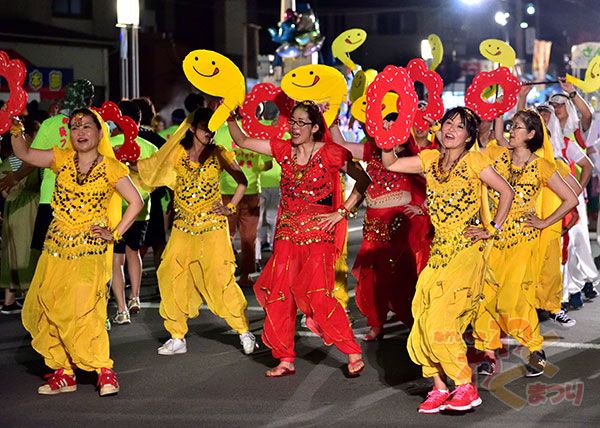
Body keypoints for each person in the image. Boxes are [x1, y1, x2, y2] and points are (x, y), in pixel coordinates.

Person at [382, 107, 514, 413]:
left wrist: (491, 228)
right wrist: (388, 134)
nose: (452, 128)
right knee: (424, 316)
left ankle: (464, 385)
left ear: (469, 136)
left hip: (467, 251)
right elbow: (392, 164)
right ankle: (439, 387)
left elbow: (505, 192)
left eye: (460, 126)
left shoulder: (474, 161)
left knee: (441, 318)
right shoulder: (430, 159)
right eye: (449, 123)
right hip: (440, 251)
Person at [227, 100, 370, 377]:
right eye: (292, 121)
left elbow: (362, 180)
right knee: (280, 295)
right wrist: (230, 115)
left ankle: (351, 350)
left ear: (315, 128)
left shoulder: (331, 153)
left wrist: (341, 212)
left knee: (319, 296)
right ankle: (285, 357)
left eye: (301, 123)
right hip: (287, 235)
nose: (294, 127)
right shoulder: (283, 150)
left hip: (319, 235)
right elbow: (243, 140)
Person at [12, 108, 143, 396]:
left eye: (86, 126)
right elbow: (25, 154)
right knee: (50, 303)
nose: (80, 132)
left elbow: (135, 202)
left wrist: (115, 233)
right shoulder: (60, 159)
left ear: (99, 132)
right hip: (56, 248)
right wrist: (14, 127)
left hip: (90, 250)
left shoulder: (111, 167)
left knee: (85, 309)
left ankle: (104, 370)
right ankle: (64, 372)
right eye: (74, 127)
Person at [135, 107, 257, 356]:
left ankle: (244, 330)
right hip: (183, 227)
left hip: (212, 226)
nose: (210, 133)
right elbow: (153, 171)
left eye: (212, 128)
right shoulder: (176, 153)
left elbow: (242, 181)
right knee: (171, 274)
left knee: (220, 278)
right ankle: (177, 335)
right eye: (205, 128)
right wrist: (122, 163)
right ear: (192, 128)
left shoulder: (219, 152)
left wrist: (230, 206)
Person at [474, 109, 579, 378]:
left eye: (518, 127)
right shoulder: (497, 156)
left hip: (522, 240)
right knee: (485, 295)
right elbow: (485, 143)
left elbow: (571, 199)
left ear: (531, 135)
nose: (511, 131)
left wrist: (544, 222)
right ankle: (488, 353)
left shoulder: (543, 166)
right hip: (493, 237)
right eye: (511, 126)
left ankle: (535, 347)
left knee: (512, 299)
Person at [330, 113, 429, 341]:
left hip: (399, 223)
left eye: (392, 125)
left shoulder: (412, 156)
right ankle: (376, 323)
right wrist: (334, 121)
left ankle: (413, 320)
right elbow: (342, 145)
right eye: (384, 125)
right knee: (372, 277)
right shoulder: (372, 150)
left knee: (402, 276)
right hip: (373, 224)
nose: (386, 129)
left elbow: (438, 183)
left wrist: (423, 208)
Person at [28, 80, 95, 257]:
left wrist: (15, 177)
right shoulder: (95, 126)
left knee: (47, 253)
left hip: (50, 197)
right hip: (85, 199)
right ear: (87, 101)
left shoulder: (50, 125)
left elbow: (32, 158)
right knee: (79, 252)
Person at [109, 100, 159, 324]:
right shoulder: (150, 147)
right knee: (134, 252)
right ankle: (135, 297)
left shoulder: (109, 145)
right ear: (139, 121)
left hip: (115, 208)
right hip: (141, 208)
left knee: (116, 258)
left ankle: (121, 309)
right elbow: (157, 179)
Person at [0, 118, 40, 314]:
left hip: (10, 209)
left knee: (10, 253)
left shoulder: (7, 161)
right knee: (26, 252)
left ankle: (8, 300)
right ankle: (28, 297)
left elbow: (4, 191)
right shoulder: (32, 162)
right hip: (28, 208)